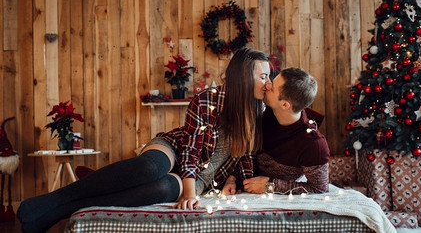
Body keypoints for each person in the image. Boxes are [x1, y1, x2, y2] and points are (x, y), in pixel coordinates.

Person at [17, 47, 271, 233]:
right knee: (149, 168)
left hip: (203, 178)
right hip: (174, 149)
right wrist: (189, 193)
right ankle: (54, 199)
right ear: (243, 77)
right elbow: (191, 151)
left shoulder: (259, 112)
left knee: (161, 189)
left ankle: (58, 212)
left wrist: (230, 179)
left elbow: (244, 159)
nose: (268, 83)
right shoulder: (207, 99)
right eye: (263, 76)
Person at [243, 67, 330, 195]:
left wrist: (271, 186)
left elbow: (319, 189)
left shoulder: (314, 144)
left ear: (285, 105)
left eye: (272, 87)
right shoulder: (261, 113)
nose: (267, 85)